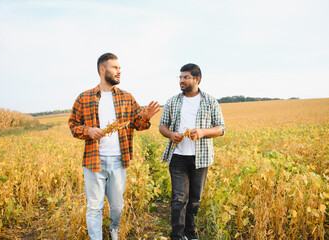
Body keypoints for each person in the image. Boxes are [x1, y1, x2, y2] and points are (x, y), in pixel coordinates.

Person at [68, 52, 160, 240]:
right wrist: (88, 131)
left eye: (120, 68)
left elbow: (138, 124)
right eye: (115, 68)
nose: (119, 71)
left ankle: (114, 227)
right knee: (94, 205)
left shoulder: (126, 97)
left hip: (119, 159)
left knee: (117, 205)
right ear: (103, 70)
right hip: (94, 161)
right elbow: (73, 125)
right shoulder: (84, 97)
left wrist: (146, 117)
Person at [159, 63, 225, 240]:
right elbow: (162, 126)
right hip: (178, 157)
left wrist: (202, 132)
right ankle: (177, 236)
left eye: (186, 77)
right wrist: (171, 134)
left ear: (197, 79)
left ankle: (190, 233)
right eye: (180, 77)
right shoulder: (172, 101)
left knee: (195, 199)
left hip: (201, 158)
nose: (182, 80)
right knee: (179, 199)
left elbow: (221, 129)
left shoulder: (210, 101)